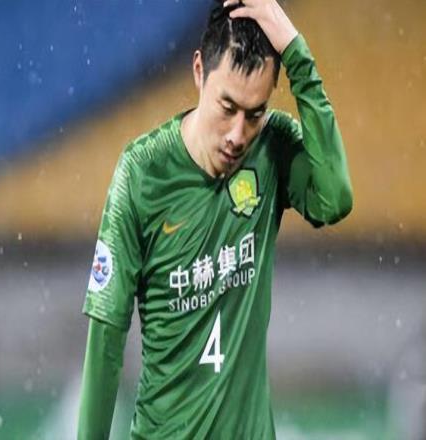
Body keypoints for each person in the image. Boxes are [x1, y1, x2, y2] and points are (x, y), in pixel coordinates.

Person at [78, 0, 353, 438]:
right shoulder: (143, 173)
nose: (238, 134)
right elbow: (106, 335)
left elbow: (333, 199)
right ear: (198, 72)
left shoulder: (272, 148)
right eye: (227, 107)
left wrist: (296, 52)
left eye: (255, 113)